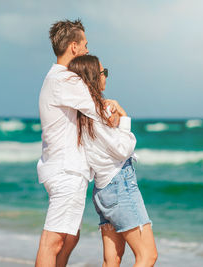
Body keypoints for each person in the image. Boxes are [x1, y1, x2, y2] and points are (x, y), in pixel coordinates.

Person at [35, 20, 119, 267]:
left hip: (63, 168)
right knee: (53, 240)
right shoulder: (66, 81)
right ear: (73, 46)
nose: (87, 51)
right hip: (66, 170)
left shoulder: (57, 79)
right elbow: (101, 113)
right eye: (84, 45)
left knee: (70, 236)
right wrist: (116, 111)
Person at [68, 55, 158, 267]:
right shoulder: (96, 113)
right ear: (92, 78)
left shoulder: (79, 114)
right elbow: (122, 150)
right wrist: (124, 117)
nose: (106, 77)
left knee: (111, 260)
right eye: (103, 73)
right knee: (147, 255)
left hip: (102, 189)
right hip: (119, 186)